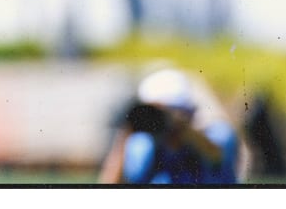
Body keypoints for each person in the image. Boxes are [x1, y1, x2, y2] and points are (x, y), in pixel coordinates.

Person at [98, 67, 242, 185]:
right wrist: (128, 131)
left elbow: (216, 154)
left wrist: (182, 129)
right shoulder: (145, 147)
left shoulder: (219, 133)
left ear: (190, 111)